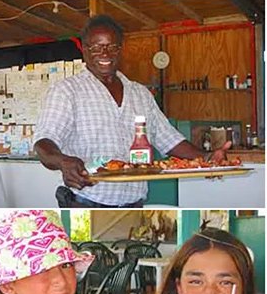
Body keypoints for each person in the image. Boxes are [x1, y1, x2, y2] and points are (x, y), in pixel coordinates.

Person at [34, 15, 231, 208]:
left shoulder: (140, 93)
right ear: (85, 50)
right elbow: (44, 143)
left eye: (112, 47)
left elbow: (168, 138)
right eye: (96, 47)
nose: (105, 53)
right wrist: (62, 161)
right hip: (85, 202)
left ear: (120, 50)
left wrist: (206, 159)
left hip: (134, 204)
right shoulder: (66, 91)